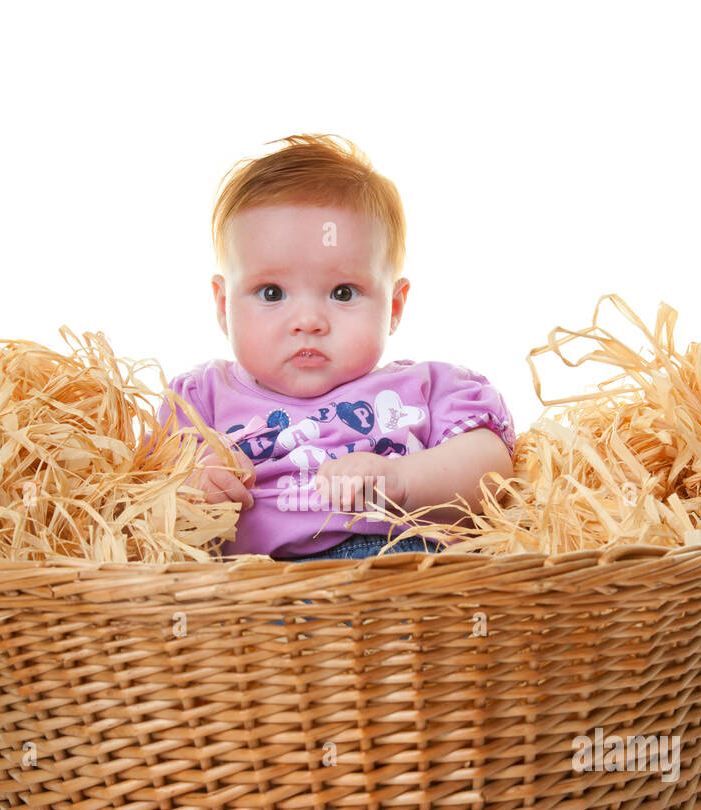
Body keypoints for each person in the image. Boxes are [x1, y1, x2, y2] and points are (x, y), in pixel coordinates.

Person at [155, 133, 516, 562]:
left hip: (399, 562)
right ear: (223, 304)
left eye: (343, 293)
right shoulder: (200, 399)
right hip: (255, 588)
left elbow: (492, 471)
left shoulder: (427, 387)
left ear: (394, 305)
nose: (308, 322)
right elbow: (144, 493)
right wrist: (192, 488)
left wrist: (400, 478)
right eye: (271, 293)